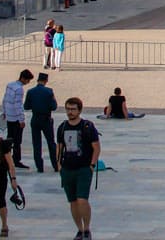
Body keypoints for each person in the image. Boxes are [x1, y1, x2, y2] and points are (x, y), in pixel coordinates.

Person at [55, 96, 101, 240]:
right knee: (73, 201)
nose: (70, 112)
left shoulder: (87, 126)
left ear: (79, 110)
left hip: (83, 168)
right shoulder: (62, 127)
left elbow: (96, 147)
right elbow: (59, 147)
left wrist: (92, 166)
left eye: (73, 109)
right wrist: (59, 165)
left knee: (82, 199)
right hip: (67, 168)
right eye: (68, 109)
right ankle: (79, 230)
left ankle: (87, 228)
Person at [25, 72, 58, 172]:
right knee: (51, 143)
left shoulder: (30, 91)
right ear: (46, 81)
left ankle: (40, 167)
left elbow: (26, 106)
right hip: (46, 119)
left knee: (36, 144)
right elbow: (54, 107)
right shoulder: (49, 91)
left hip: (35, 119)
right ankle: (55, 165)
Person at [2, 68, 31, 169]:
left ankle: (6, 158)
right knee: (17, 141)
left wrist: (4, 111)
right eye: (27, 80)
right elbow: (18, 105)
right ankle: (16, 160)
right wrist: (21, 119)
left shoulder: (10, 85)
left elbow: (5, 99)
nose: (28, 82)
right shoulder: (19, 89)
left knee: (9, 138)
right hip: (15, 118)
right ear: (23, 78)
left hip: (9, 115)